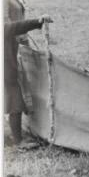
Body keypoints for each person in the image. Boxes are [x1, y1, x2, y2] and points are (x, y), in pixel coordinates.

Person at [4, 15, 53, 149]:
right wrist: (39, 21)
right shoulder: (5, 28)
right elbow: (18, 26)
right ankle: (18, 142)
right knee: (15, 105)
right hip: (6, 75)